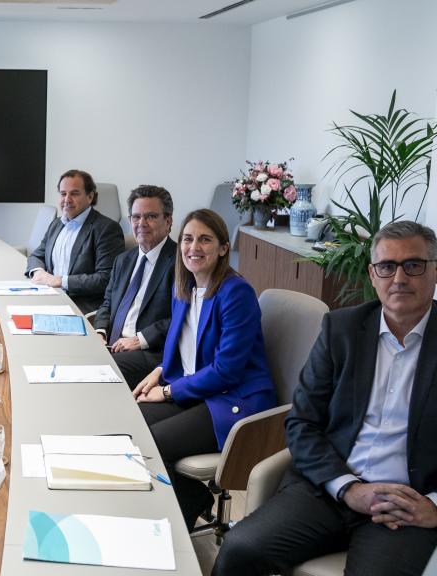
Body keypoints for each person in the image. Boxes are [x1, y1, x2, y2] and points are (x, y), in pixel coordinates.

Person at [214, 220, 437, 576]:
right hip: (329, 490)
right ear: (372, 274)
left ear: (434, 270)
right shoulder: (341, 329)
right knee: (239, 550)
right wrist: (347, 487)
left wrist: (434, 507)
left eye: (413, 265)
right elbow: (302, 422)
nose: (399, 278)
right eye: (386, 266)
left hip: (404, 507)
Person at [132, 208, 275, 531]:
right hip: (200, 389)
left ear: (224, 248)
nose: (193, 247)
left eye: (205, 240)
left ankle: (174, 521)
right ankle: (185, 498)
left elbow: (227, 370)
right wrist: (159, 372)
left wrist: (167, 391)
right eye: (187, 239)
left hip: (234, 399)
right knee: (129, 426)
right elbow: (183, 348)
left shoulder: (235, 292)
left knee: (150, 441)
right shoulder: (185, 286)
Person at [93, 185, 176, 388]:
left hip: (150, 352)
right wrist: (100, 331)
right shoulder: (123, 259)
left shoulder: (180, 262)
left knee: (97, 370)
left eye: (151, 217)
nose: (141, 223)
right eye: (136, 217)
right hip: (112, 345)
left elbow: (182, 317)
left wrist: (141, 339)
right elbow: (107, 303)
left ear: (168, 221)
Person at [25, 169, 125, 314]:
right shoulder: (56, 224)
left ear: (90, 197)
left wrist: (60, 281)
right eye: (63, 194)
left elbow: (106, 278)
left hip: (82, 308)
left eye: (74, 193)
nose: (67, 199)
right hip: (50, 298)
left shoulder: (106, 229)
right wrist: (39, 272)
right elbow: (36, 255)